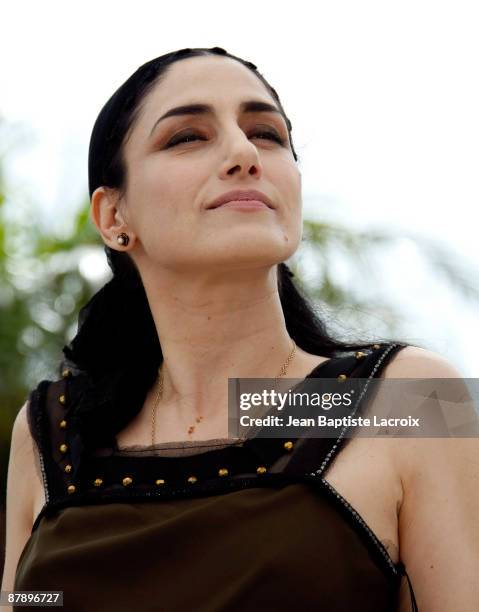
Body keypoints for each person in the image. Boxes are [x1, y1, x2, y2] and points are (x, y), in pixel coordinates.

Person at [2, 46, 478, 612]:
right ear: (113, 217)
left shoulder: (410, 397)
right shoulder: (50, 431)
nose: (244, 153)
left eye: (267, 133)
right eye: (186, 137)